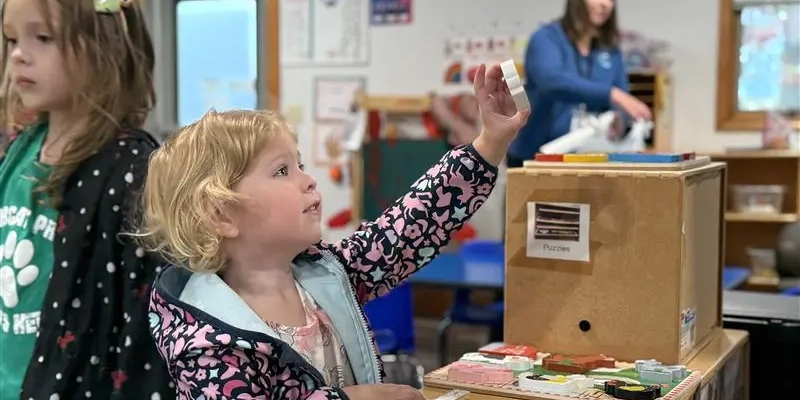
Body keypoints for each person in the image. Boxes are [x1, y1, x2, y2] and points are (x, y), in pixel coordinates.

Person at [140, 63, 530, 399]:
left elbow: (411, 226)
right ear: (221, 215)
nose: (309, 180)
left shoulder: (325, 272)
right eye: (282, 171)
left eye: (300, 164)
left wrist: (489, 143)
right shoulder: (209, 342)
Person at [0, 0, 173, 398]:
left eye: (43, 38)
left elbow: (142, 329)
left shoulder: (131, 169)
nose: (19, 55)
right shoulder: (21, 149)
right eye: (11, 39)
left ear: (104, 45)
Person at [507, 0, 652, 167]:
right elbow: (551, 80)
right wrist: (610, 94)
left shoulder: (610, 50)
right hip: (534, 157)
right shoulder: (546, 39)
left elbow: (623, 98)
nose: (605, 4)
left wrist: (619, 118)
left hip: (588, 161)